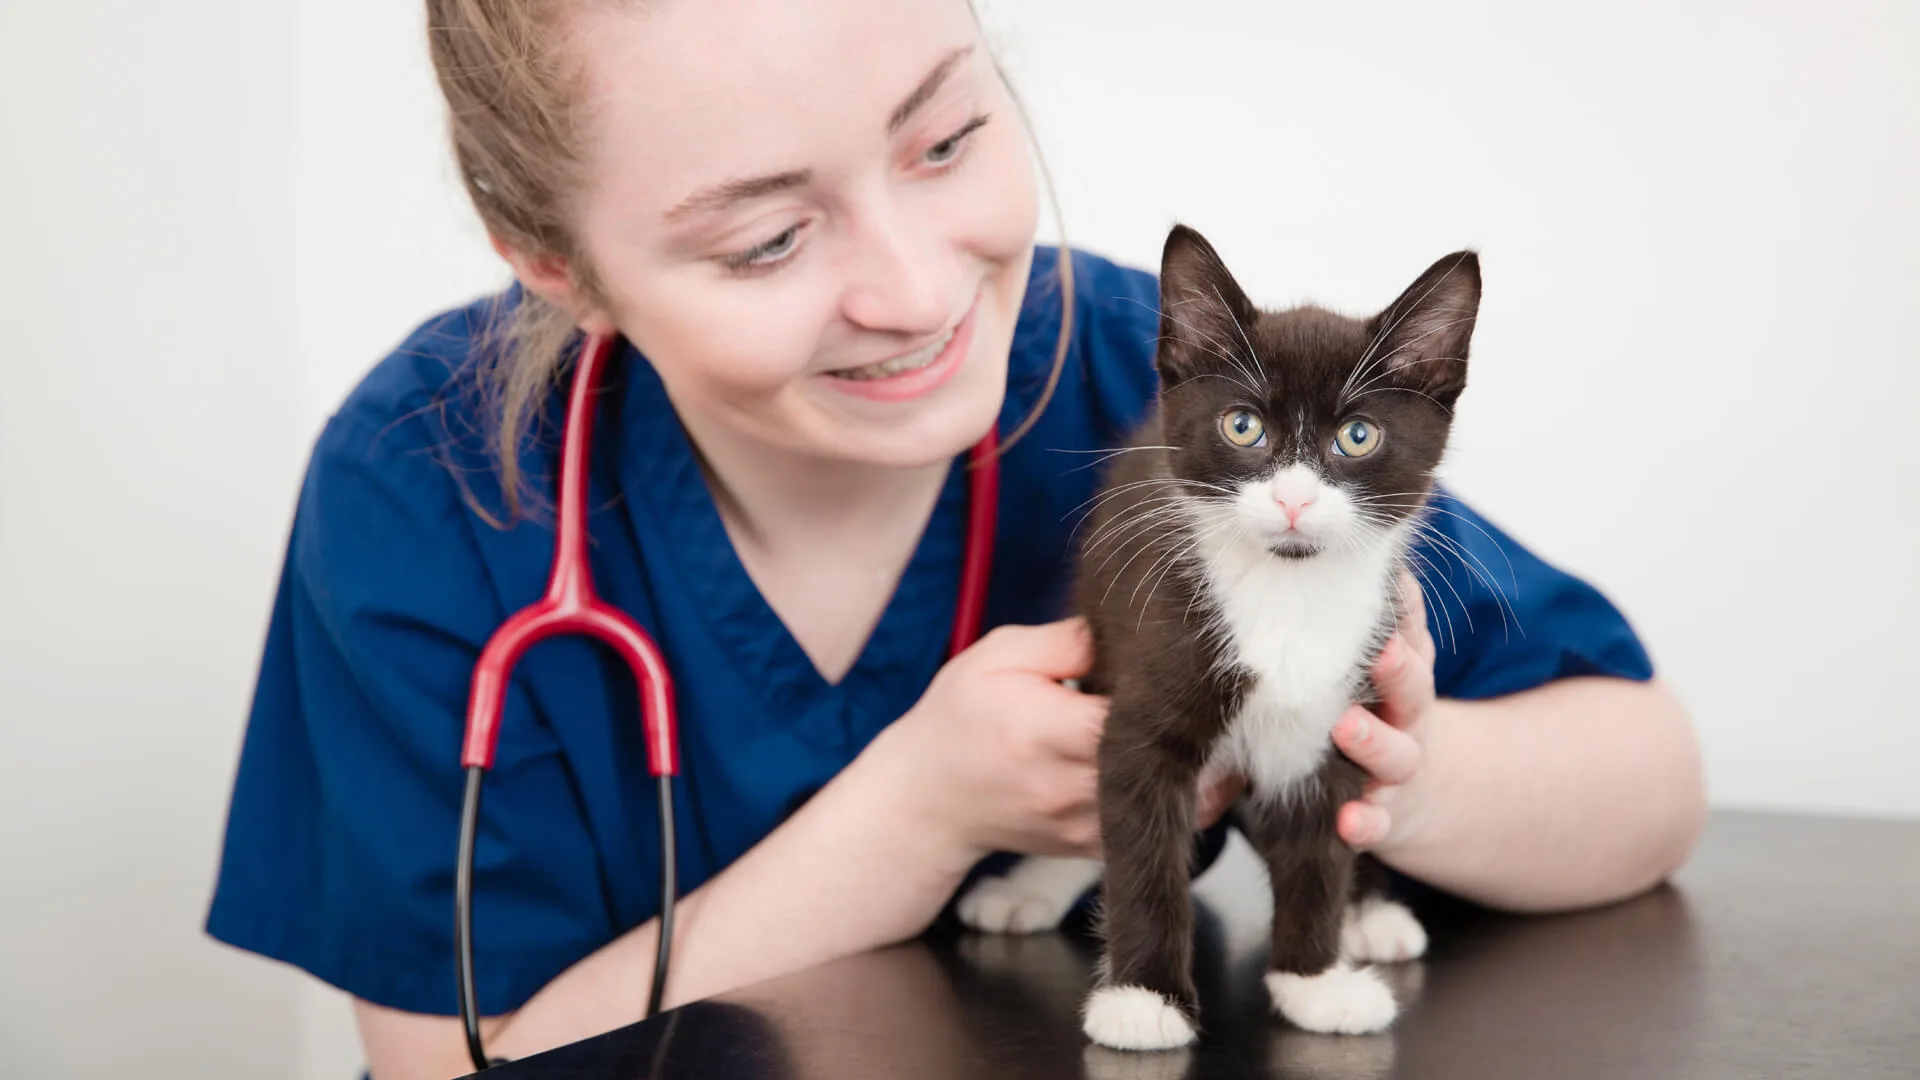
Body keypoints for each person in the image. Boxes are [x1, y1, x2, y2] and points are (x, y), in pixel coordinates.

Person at [203, 1, 1706, 1077]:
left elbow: (1653, 785)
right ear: (560, 267)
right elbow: (460, 1062)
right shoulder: (430, 488)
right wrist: (917, 813)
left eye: (946, 136)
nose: (918, 292)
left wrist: (1388, 768)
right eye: (767, 240)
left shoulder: (1149, 375)